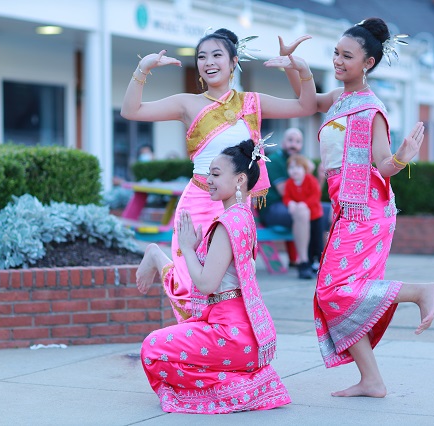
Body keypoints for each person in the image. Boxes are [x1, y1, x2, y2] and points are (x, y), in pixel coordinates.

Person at [281, 18, 434, 397]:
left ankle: (419, 291)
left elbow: (383, 165)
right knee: (335, 292)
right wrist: (294, 65)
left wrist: (403, 157)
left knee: (334, 291)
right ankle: (372, 380)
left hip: (367, 211)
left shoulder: (371, 109)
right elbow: (306, 103)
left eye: (347, 56)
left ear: (367, 63)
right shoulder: (339, 99)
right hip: (346, 209)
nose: (338, 61)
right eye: (336, 53)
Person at [122, 28, 317, 322]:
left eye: (216, 55)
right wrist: (142, 69)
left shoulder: (252, 102)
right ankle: (156, 257)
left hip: (237, 206)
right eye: (202, 57)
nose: (209, 62)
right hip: (199, 201)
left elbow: (307, 106)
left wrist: (300, 69)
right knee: (191, 287)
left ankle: (221, 352)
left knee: (230, 286)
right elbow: (131, 110)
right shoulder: (187, 103)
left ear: (233, 61)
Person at [135, 139, 291, 413]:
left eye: (216, 174)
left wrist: (186, 248)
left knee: (151, 349)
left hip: (229, 334)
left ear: (240, 179)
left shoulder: (227, 223)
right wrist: (194, 250)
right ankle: (248, 380)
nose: (208, 180)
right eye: (209, 173)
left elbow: (206, 284)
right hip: (243, 335)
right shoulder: (243, 217)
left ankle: (245, 386)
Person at [258, 128, 323, 279]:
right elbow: (285, 192)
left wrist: (317, 176)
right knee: (303, 211)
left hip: (297, 205)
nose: (294, 145)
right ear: (283, 142)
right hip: (273, 208)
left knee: (330, 211)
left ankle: (324, 261)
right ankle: (303, 262)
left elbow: (311, 192)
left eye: (298, 141)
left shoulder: (299, 162)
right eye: (290, 140)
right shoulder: (275, 161)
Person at [282, 152, 324, 274]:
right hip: (301, 216)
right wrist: (290, 203)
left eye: (298, 167)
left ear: (305, 169)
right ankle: (307, 261)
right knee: (307, 240)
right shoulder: (290, 183)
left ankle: (318, 263)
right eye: (291, 167)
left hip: (315, 216)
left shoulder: (310, 180)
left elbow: (315, 196)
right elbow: (287, 197)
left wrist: (304, 203)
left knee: (316, 241)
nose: (294, 170)